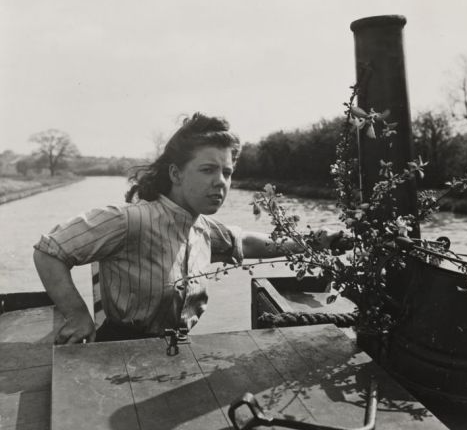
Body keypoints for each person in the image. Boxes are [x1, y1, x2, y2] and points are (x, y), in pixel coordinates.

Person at [33, 113, 345, 344]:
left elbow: (249, 243)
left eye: (227, 172)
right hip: (121, 354)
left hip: (177, 351)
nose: (220, 182)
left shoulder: (202, 227)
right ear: (176, 173)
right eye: (208, 170)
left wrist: (315, 242)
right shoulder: (131, 219)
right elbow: (50, 251)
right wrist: (78, 316)